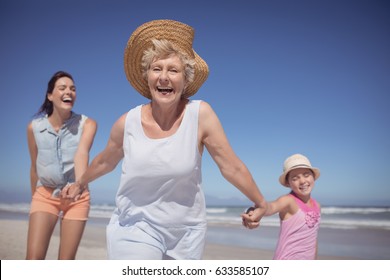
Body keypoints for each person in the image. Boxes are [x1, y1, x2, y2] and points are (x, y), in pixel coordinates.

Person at [64, 19, 266, 260]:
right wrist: (79, 183)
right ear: (147, 76)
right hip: (135, 227)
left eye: (173, 70)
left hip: (187, 234)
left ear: (185, 79)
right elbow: (105, 162)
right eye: (156, 68)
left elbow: (230, 165)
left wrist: (260, 202)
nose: (164, 77)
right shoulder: (127, 122)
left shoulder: (200, 115)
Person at [26, 71, 97, 259]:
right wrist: (36, 198)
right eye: (63, 88)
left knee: (65, 263)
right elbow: (34, 166)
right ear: (50, 95)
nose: (69, 92)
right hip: (45, 195)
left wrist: (78, 186)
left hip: (77, 197)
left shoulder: (87, 124)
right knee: (33, 260)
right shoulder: (34, 128)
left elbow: (82, 154)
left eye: (73, 89)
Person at [262, 154, 321, 260]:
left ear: (313, 177)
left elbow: (313, 239)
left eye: (306, 175)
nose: (302, 181)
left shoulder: (317, 206)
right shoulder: (289, 201)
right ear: (288, 183)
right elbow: (270, 207)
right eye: (295, 178)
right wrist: (259, 209)